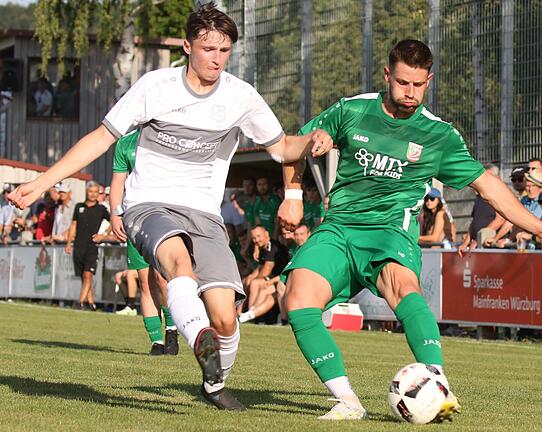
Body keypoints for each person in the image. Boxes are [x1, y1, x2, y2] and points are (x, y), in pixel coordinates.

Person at [7, 3, 332, 411]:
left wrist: (312, 140)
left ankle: (214, 383)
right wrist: (39, 183)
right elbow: (99, 139)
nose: (217, 58)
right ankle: (197, 336)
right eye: (208, 48)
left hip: (205, 215)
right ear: (187, 47)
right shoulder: (155, 86)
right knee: (178, 262)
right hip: (150, 204)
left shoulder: (240, 97)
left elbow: (284, 147)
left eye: (225, 50)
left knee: (227, 316)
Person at [277, 39, 542, 421]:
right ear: (387, 75)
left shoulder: (439, 136)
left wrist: (539, 226)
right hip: (340, 227)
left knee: (404, 289)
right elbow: (290, 147)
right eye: (402, 83)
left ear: (428, 80)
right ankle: (347, 400)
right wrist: (294, 193)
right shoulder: (352, 109)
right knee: (297, 300)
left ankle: (438, 385)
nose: (410, 93)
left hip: (389, 232)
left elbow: (489, 186)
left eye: (418, 85)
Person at [110, 130, 179, 355]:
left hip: (162, 215)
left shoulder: (167, 135)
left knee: (161, 278)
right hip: (134, 218)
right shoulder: (125, 143)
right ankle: (156, 341)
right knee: (144, 281)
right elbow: (118, 182)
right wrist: (115, 213)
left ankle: (171, 328)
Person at [66, 182, 111, 310]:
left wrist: (103, 235)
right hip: (79, 245)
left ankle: (79, 302)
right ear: (87, 192)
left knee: (88, 275)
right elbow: (73, 226)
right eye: (91, 191)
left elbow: (113, 221)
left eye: (96, 192)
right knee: (83, 276)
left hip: (92, 246)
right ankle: (91, 302)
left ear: (98, 194)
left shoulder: (101, 209)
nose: (93, 194)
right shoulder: (79, 207)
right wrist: (69, 243)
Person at [238, 225, 290, 323]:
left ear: (266, 234)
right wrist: (252, 276)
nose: (256, 240)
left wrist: (254, 278)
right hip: (274, 279)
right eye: (254, 238)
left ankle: (250, 315)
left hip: (281, 279)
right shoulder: (263, 247)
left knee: (256, 284)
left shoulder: (272, 246)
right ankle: (245, 313)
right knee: (251, 281)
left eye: (258, 236)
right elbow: (260, 268)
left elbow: (266, 269)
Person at [456, 163, 500, 253]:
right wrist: (466, 242)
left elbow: (500, 220)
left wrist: (480, 239)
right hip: (477, 246)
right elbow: (474, 222)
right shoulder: (479, 197)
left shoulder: (499, 196)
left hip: (490, 247)